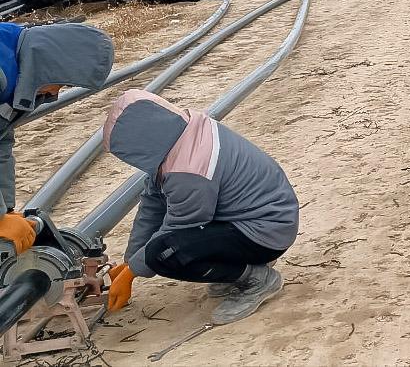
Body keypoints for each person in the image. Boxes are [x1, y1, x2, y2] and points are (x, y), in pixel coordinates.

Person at [103, 90, 299, 325]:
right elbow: (152, 204)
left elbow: (178, 227)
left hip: (266, 232)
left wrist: (132, 272)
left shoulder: (189, 169)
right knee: (162, 248)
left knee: (163, 254)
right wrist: (129, 259)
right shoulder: (183, 136)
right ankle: (240, 268)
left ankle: (259, 279)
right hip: (260, 218)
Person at [0, 21, 113, 253]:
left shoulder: (19, 62)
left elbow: (1, 143)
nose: (55, 93)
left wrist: (7, 210)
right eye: (60, 83)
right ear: (50, 66)